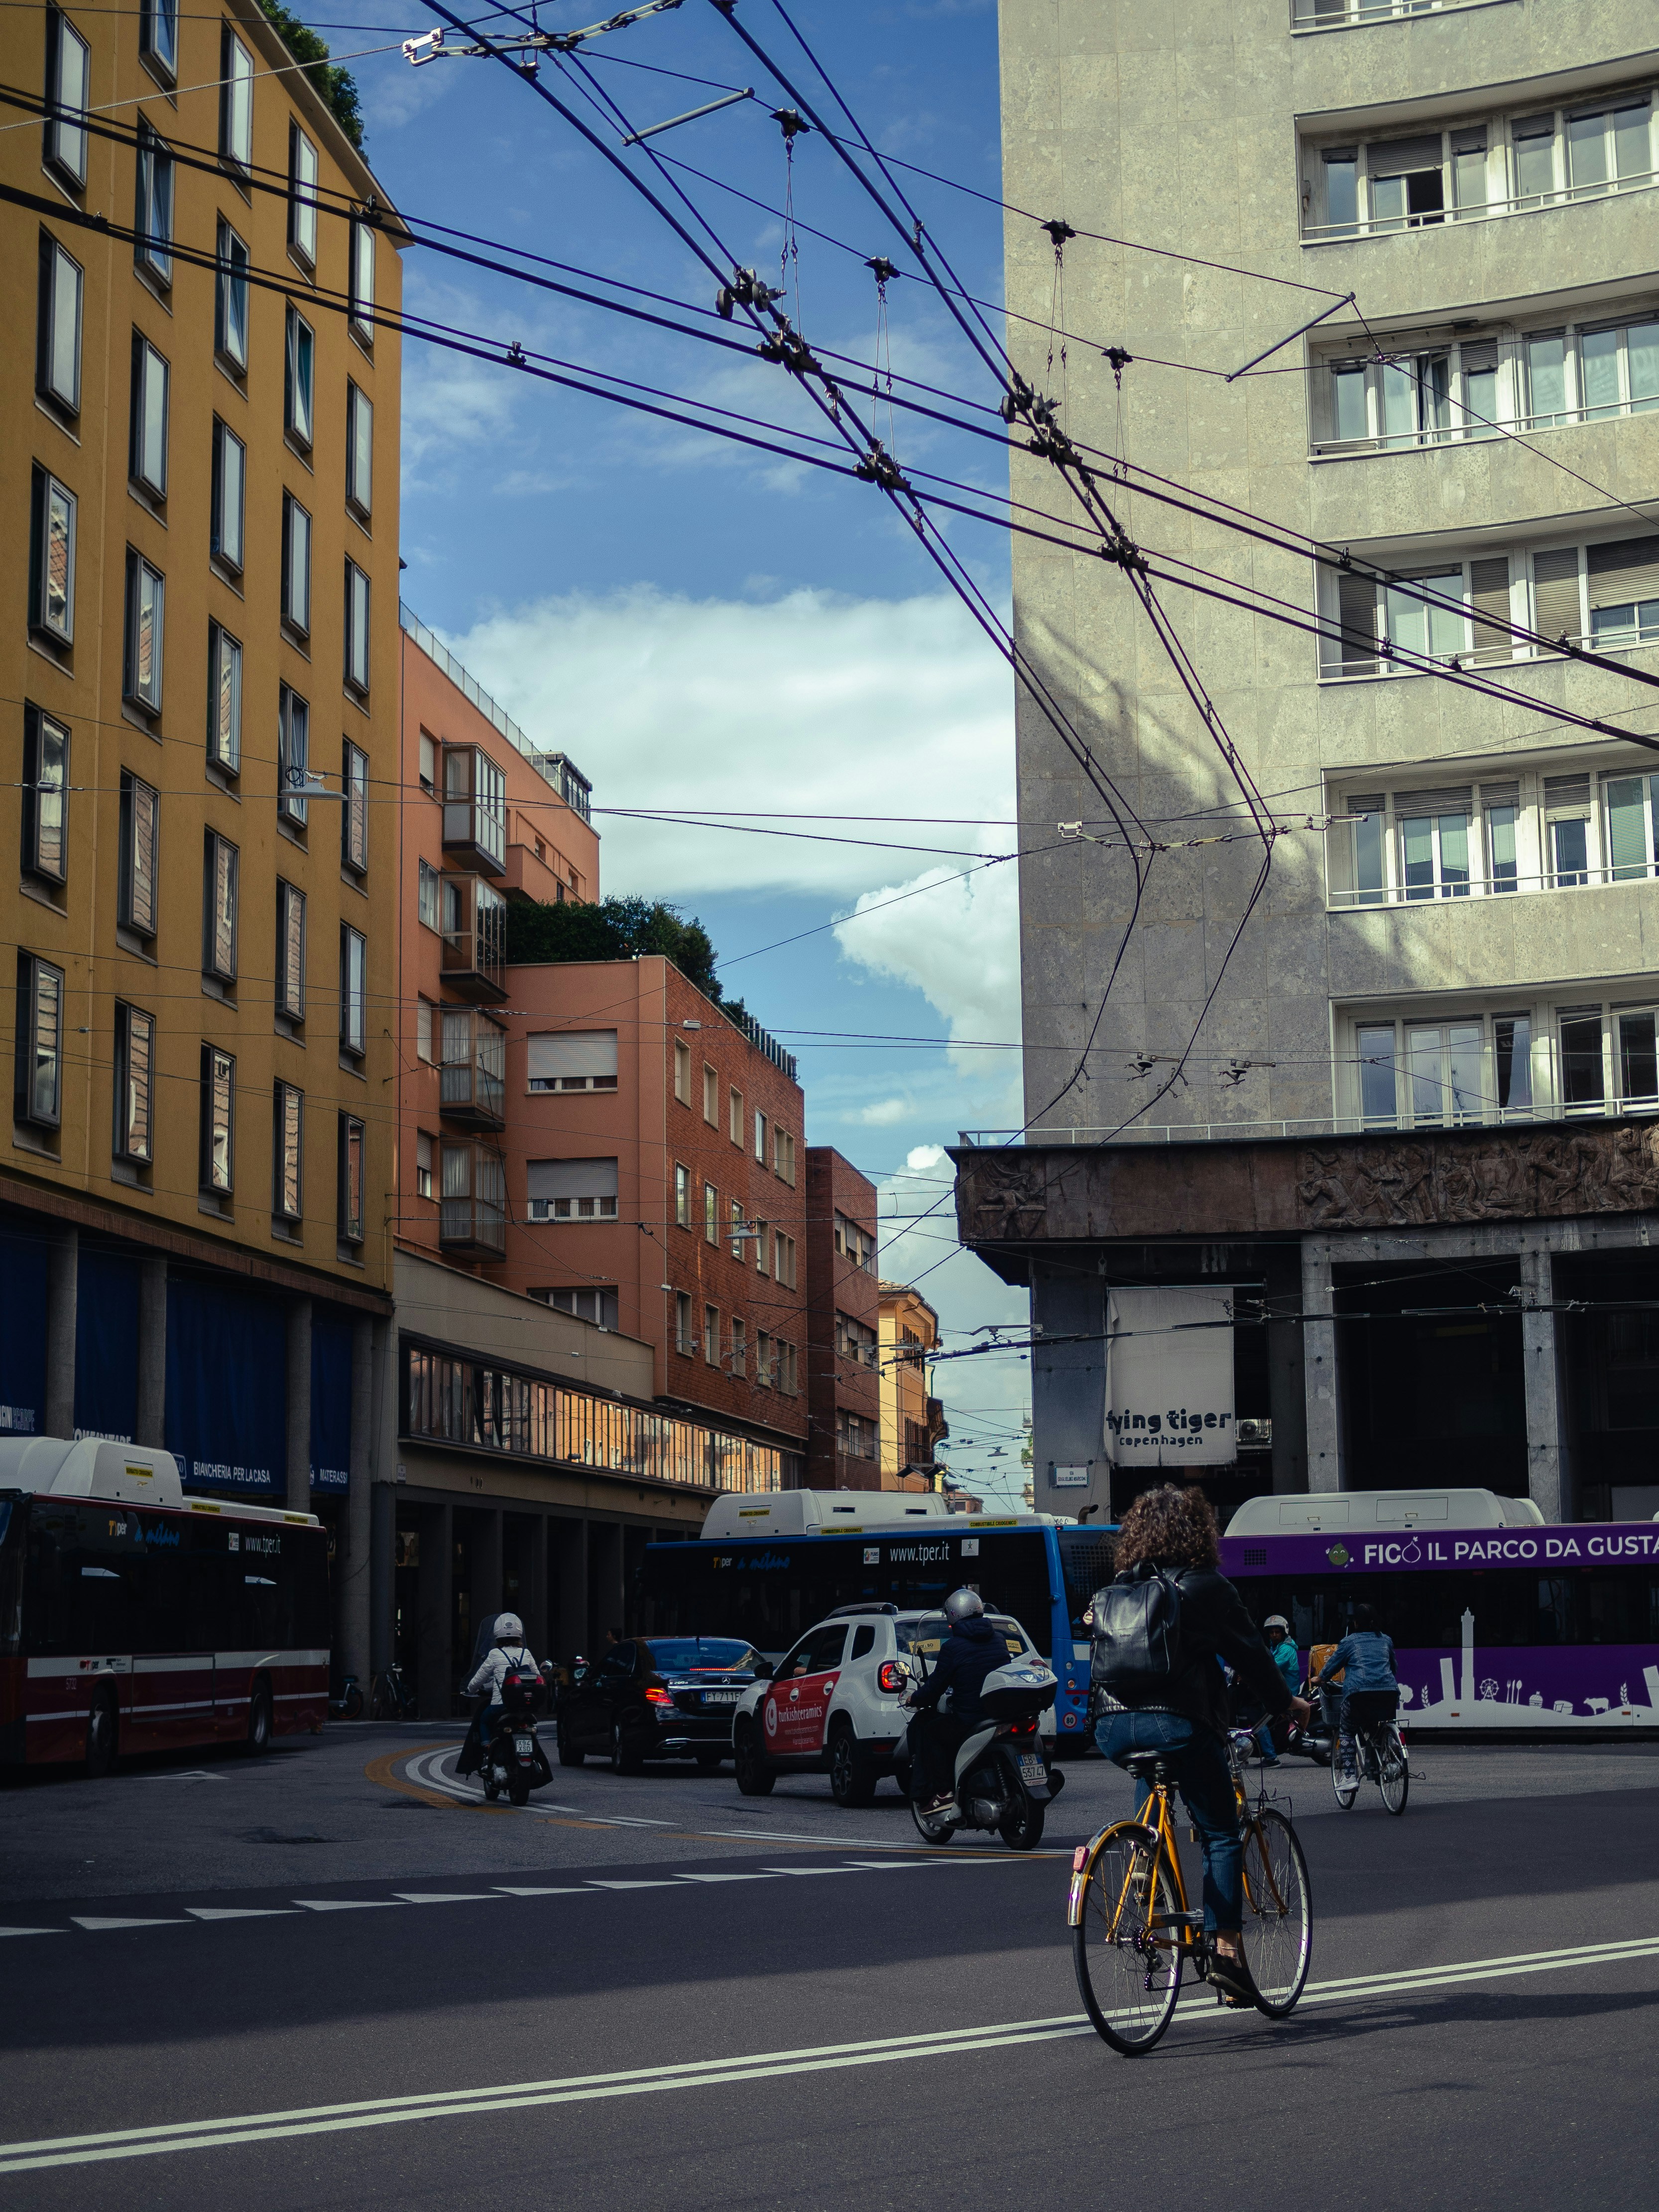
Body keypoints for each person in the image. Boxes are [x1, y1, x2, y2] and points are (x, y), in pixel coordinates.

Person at [1093, 1485, 1310, 2008]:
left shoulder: (1120, 1588)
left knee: (1153, 1792)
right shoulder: (1206, 1587)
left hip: (1112, 1728)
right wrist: (1287, 1706)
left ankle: (1142, 1864)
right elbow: (1252, 1657)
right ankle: (1226, 1951)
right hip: (1179, 1726)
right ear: (1197, 1533)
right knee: (1218, 1833)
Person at [905, 1589, 1007, 1815]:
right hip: (998, 1714)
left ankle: (944, 1793)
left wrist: (914, 1698)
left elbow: (935, 1688)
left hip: (970, 1719)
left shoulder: (953, 1647)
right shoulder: (999, 1639)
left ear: (954, 1615)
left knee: (930, 1731)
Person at [1311, 1605, 1397, 1784]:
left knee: (1347, 1730)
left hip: (1359, 1695)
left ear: (1356, 1623)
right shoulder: (1386, 1640)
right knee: (1382, 1725)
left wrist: (1320, 1679)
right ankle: (1392, 1752)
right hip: (1389, 1693)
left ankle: (1350, 1776)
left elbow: (1333, 1666)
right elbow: (1393, 1667)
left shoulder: (1349, 1642)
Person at [457, 1612, 540, 1776]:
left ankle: (488, 1748)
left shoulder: (494, 1655)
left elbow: (478, 1680)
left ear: (497, 1636)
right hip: (525, 1707)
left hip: (500, 1706)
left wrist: (470, 1690)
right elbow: (538, 1676)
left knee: (484, 1720)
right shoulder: (526, 1653)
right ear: (519, 1635)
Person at [1251, 1615, 1301, 1766]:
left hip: (1286, 1694)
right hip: (1278, 1692)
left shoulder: (1286, 1649)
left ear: (1283, 1633)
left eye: (1277, 1632)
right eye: (1271, 1632)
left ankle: (1271, 1758)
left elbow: (1271, 1669)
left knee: (1260, 1720)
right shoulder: (1275, 1648)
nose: (1274, 1635)